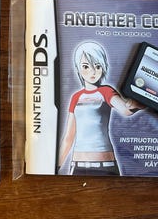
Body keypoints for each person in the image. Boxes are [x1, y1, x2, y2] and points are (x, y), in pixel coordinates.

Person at [58, 41, 142, 176]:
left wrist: (143, 101)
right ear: (78, 68)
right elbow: (69, 137)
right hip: (78, 165)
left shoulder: (106, 91)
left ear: (103, 67)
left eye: (97, 66)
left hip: (106, 165)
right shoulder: (76, 97)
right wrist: (55, 166)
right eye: (86, 66)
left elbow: (125, 109)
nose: (92, 71)